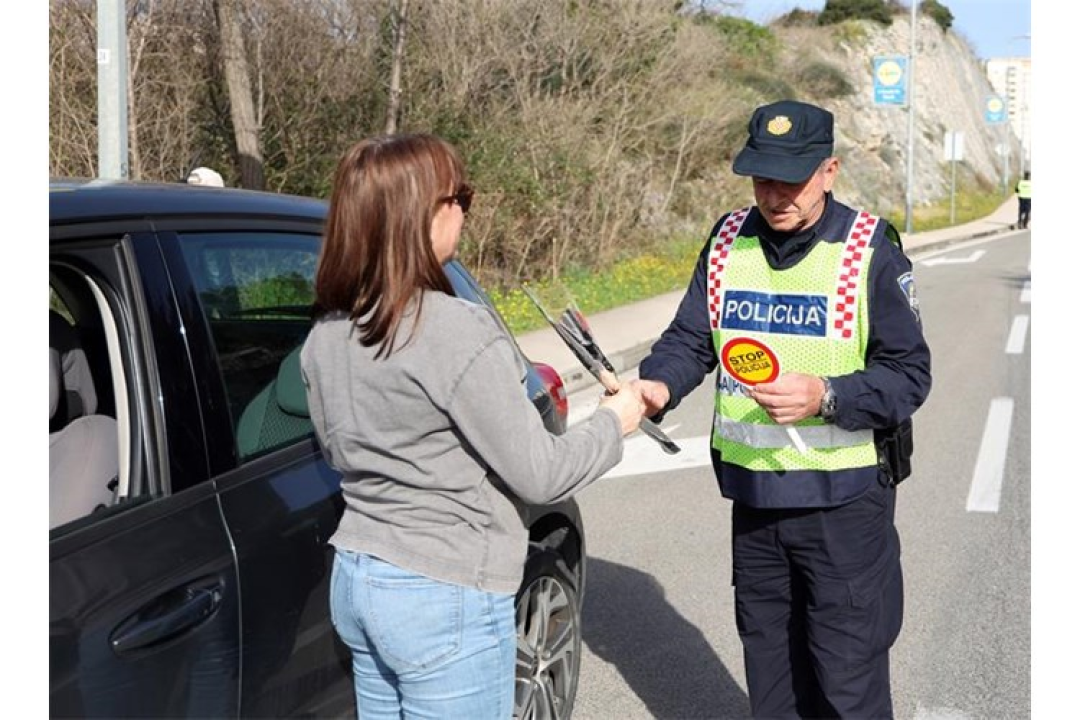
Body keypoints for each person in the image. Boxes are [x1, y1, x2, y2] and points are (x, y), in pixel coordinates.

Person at [300, 133, 646, 719]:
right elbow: (541, 473)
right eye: (458, 196)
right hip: (444, 591)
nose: (464, 209)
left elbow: (342, 453)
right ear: (419, 214)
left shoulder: (328, 334)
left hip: (360, 579)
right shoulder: (455, 329)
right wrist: (616, 420)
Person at [635, 100, 932, 719]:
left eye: (791, 179)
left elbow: (909, 375)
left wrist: (826, 397)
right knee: (773, 690)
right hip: (757, 505)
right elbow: (692, 339)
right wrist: (657, 387)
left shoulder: (869, 249)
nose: (775, 195)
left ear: (829, 170)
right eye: (761, 177)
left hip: (844, 507)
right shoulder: (725, 240)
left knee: (847, 689)